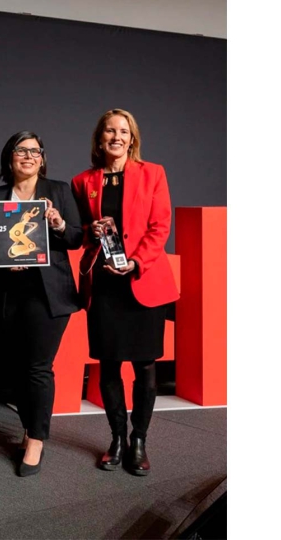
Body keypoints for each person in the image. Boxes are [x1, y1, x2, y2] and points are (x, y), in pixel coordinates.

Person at [71, 109, 179, 476]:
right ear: (99, 139)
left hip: (142, 281)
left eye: (124, 131)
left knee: (146, 365)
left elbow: (159, 226)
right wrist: (92, 229)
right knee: (110, 365)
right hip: (104, 285)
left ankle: (139, 441)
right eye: (109, 131)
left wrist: (134, 262)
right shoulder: (82, 180)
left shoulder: (153, 173)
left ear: (132, 139)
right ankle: (116, 438)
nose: (116, 137)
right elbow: (82, 232)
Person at [0, 131, 83, 477]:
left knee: (38, 366)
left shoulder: (58, 191)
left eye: (34, 151)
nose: (27, 156)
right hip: (7, 291)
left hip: (47, 293)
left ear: (42, 157)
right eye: (20, 151)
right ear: (9, 158)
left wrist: (58, 222)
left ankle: (36, 439)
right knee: (14, 365)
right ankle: (28, 427)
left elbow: (76, 237)